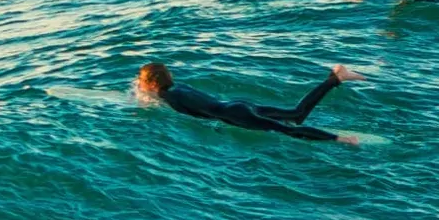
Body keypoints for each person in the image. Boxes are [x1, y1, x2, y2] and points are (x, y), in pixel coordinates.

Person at [135, 61, 354, 142]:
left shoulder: (167, 96)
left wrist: (147, 101)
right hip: (238, 105)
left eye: (141, 80)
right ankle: (335, 78)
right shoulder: (178, 86)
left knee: (290, 130)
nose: (138, 82)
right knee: (295, 115)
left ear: (154, 84)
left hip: (236, 115)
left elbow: (191, 116)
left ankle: (341, 139)